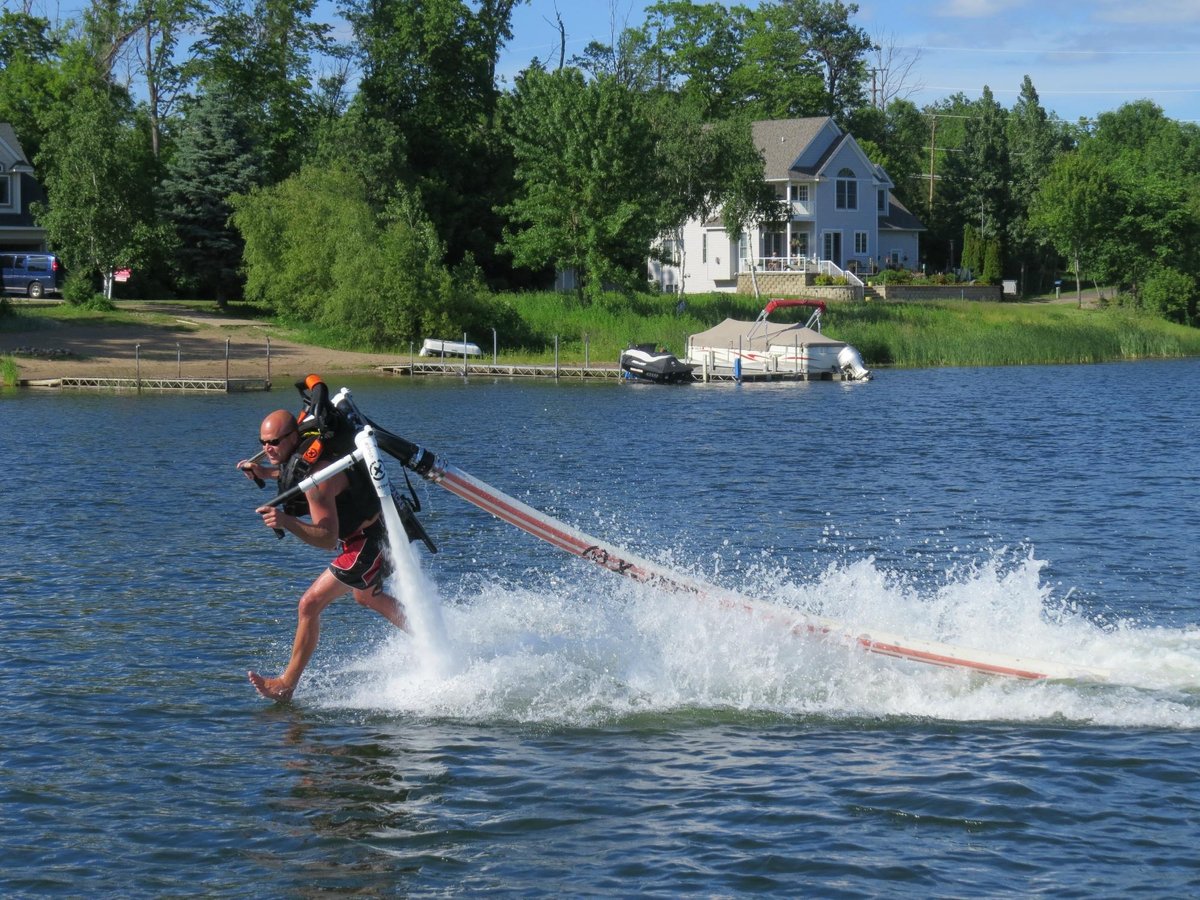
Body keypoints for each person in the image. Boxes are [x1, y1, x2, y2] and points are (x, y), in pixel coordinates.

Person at [238, 408, 408, 701]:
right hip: (375, 532)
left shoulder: (319, 479)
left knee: (309, 604)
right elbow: (294, 470)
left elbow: (327, 538)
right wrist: (266, 472)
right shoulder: (305, 455)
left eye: (274, 442)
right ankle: (436, 637)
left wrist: (286, 521)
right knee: (367, 596)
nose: (267, 449)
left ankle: (285, 685)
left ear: (294, 436)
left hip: (373, 540)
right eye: (263, 442)